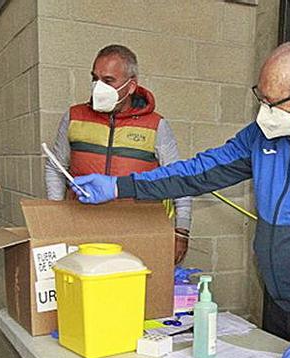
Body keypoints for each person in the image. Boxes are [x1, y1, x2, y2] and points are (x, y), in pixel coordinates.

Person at [70, 41, 290, 358]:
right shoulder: (263, 136)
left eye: (271, 103)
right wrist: (120, 186)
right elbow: (200, 171)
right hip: (278, 305)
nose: (263, 112)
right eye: (261, 98)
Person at [44, 44, 192, 264]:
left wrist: (182, 231)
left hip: (138, 231)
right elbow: (55, 167)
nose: (98, 87)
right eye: (95, 78)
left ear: (131, 86)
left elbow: (179, 178)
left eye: (108, 80)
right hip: (83, 231)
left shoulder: (155, 125)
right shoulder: (74, 117)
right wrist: (56, 218)